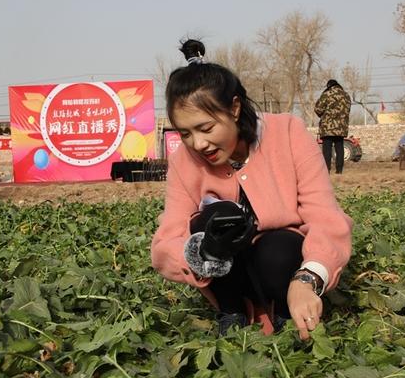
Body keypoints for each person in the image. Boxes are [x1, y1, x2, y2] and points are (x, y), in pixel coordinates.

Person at [151, 39, 353, 339]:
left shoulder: (287, 132)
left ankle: (286, 315)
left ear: (234, 108)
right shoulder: (184, 160)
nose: (198, 143)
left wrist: (308, 278)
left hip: (284, 268)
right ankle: (232, 312)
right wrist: (203, 252)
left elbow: (326, 219)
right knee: (215, 217)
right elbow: (166, 242)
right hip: (229, 278)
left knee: (277, 248)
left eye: (206, 128)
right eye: (185, 134)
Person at [314, 79, 351, 174]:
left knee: (327, 148)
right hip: (341, 128)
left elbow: (318, 109)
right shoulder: (346, 95)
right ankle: (339, 171)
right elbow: (347, 110)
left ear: (328, 86)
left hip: (328, 127)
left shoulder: (326, 94)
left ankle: (326, 170)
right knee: (339, 148)